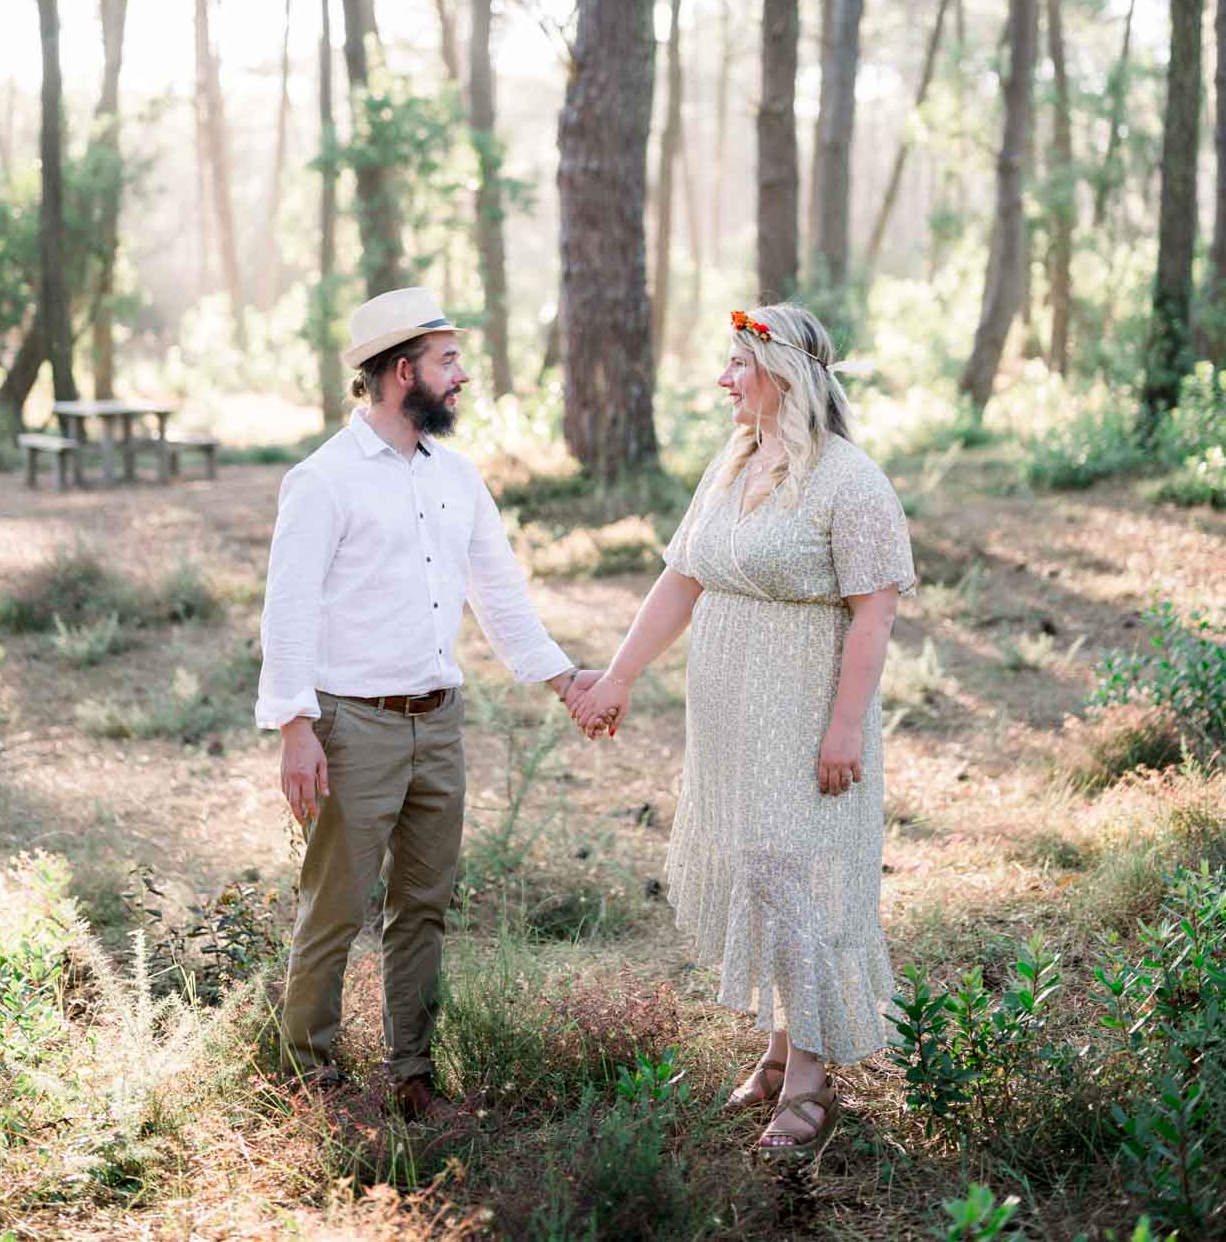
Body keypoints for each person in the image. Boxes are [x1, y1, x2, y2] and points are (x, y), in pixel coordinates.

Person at [572, 303, 915, 1159]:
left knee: (793, 872)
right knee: (760, 873)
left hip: (805, 715)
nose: (723, 380)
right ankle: (776, 1049)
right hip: (728, 717)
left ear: (785, 377)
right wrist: (617, 676)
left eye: (737, 365)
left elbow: (872, 619)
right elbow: (679, 582)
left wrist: (844, 730)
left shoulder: (851, 480)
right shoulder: (731, 466)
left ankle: (809, 1080)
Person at [255, 286, 598, 1116]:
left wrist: (566, 680)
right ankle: (311, 1083)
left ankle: (413, 1078)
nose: (464, 377)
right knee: (334, 909)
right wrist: (296, 727)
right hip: (352, 726)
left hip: (439, 722)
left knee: (424, 910)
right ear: (401, 371)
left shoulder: (456, 477)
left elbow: (501, 595)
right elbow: (289, 607)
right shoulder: (323, 480)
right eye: (449, 361)